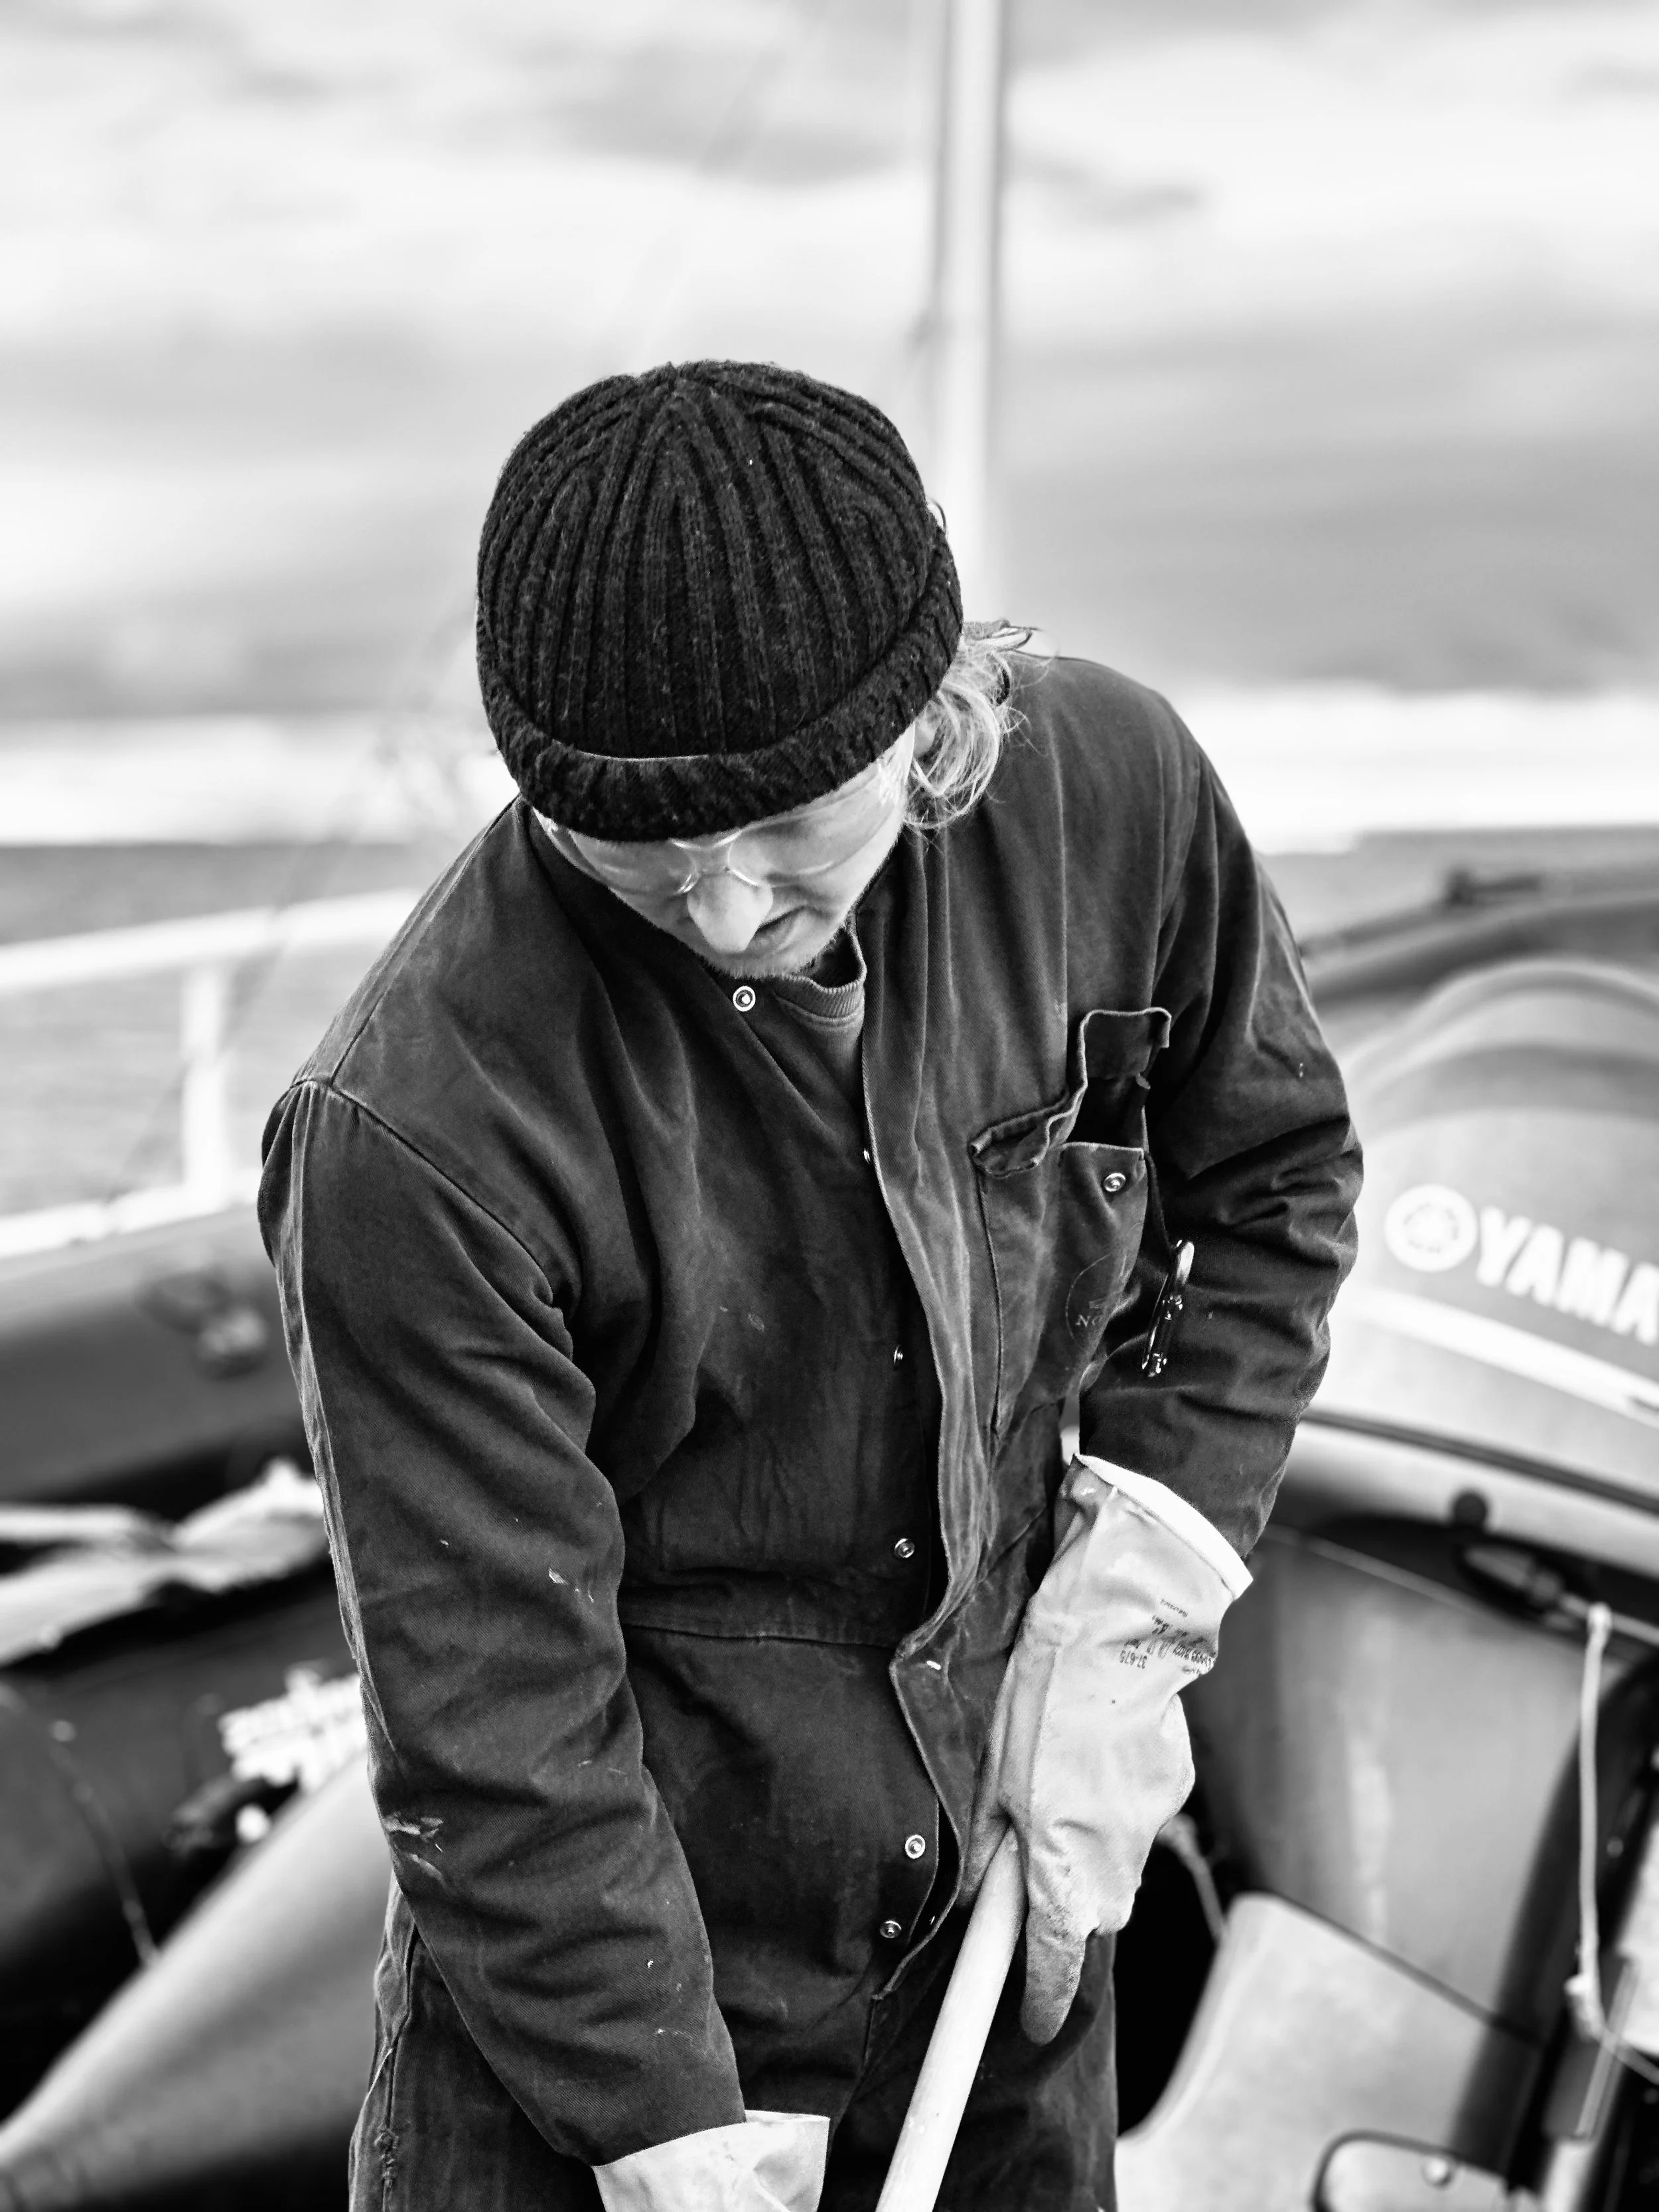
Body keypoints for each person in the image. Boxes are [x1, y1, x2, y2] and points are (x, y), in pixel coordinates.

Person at [260, 360, 1360, 2212]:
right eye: (636, 853)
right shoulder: (410, 1137)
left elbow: (1271, 1180)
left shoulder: (1119, 798)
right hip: (617, 2029)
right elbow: (497, 1714)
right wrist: (656, 2126)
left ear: (937, 714)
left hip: (997, 1961)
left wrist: (1143, 1583)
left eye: (785, 826)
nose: (719, 912)